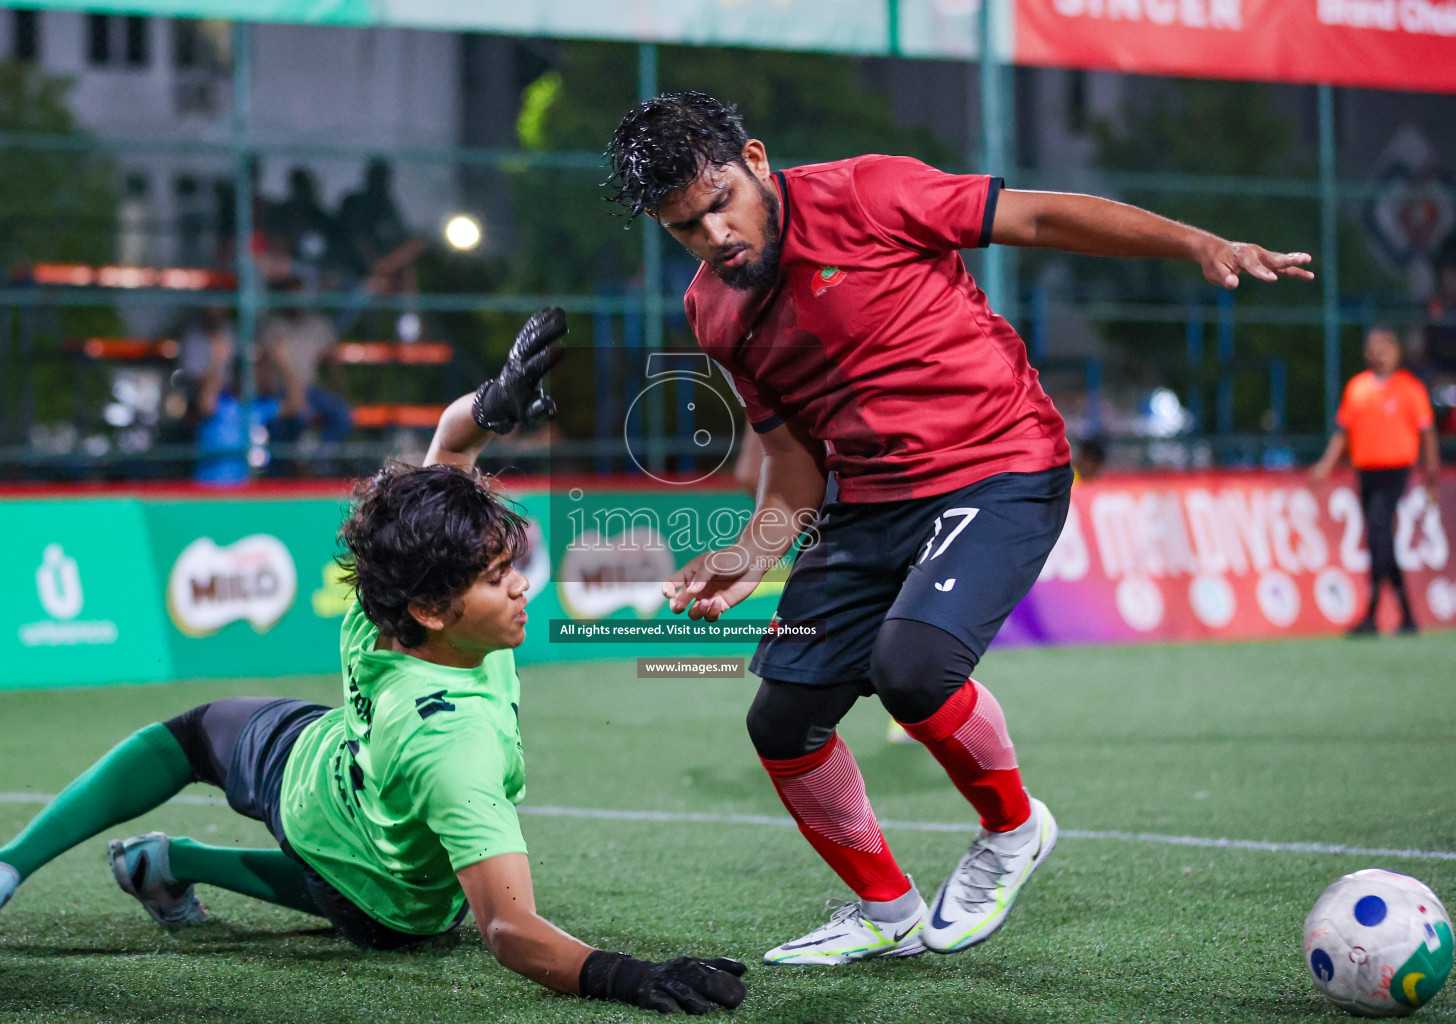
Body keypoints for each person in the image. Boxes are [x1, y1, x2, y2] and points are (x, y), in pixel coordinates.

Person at [606, 91, 1313, 966]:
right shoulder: (713, 311)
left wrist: (1195, 242)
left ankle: (1014, 832)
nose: (714, 235)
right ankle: (885, 909)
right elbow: (793, 462)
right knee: (782, 723)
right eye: (685, 228)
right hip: (868, 504)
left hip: (1000, 465)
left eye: (720, 204)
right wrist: (753, 554)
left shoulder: (867, 193)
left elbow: (1043, 215)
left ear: (755, 160)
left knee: (912, 667)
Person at [0, 309, 748, 1016]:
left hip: (318, 775)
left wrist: (491, 404)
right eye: (500, 581)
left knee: (198, 740)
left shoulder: (383, 595)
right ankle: (151, 863)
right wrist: (632, 976)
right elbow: (510, 932)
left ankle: (43, 863)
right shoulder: (451, 750)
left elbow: (449, 446)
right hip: (388, 899)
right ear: (432, 610)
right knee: (330, 873)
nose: (523, 590)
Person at [1311, 324, 1440, 636]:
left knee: (1379, 530)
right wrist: (1325, 466)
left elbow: (1428, 436)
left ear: (1396, 350)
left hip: (1395, 473)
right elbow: (1342, 434)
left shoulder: (1410, 389)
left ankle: (1370, 612)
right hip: (1366, 472)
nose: (1378, 352)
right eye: (1373, 346)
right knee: (1380, 539)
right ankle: (1406, 614)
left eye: (1385, 345)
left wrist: (1432, 479)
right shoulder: (1358, 388)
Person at [260, 288, 354, 456]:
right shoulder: (273, 327)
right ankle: (284, 469)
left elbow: (333, 363)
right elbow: (262, 366)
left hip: (311, 391)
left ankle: (318, 461)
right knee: (292, 420)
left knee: (343, 415)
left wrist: (343, 392)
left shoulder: (319, 326)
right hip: (281, 393)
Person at [339, 158, 427, 295]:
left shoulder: (387, 207)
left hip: (383, 268)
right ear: (368, 178)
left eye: (383, 178)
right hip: (358, 270)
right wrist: (381, 266)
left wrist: (392, 262)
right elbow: (358, 240)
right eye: (377, 177)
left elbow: (404, 239)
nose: (380, 183)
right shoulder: (356, 204)